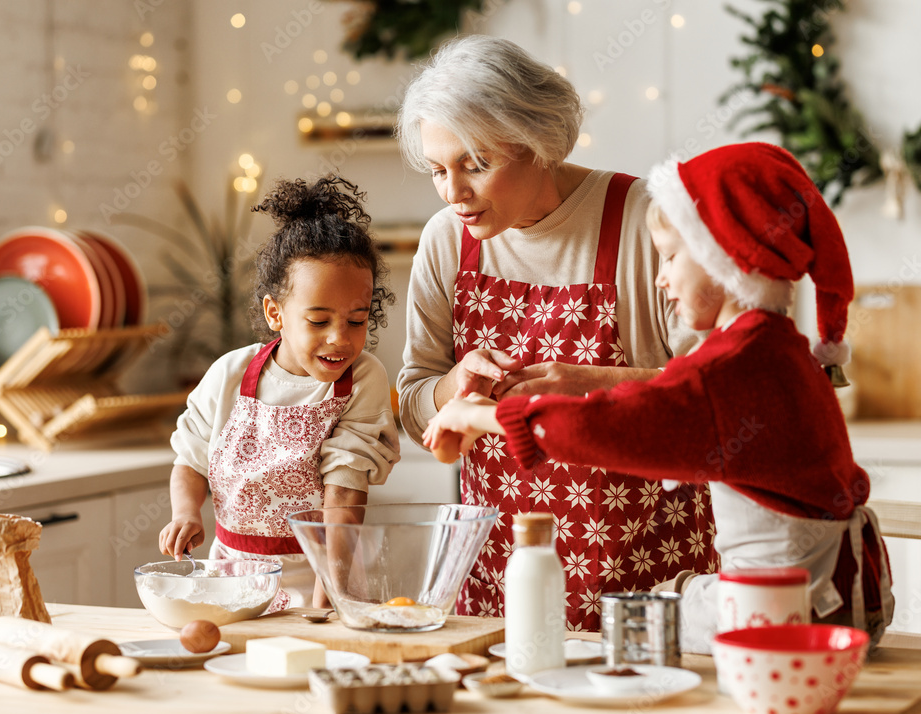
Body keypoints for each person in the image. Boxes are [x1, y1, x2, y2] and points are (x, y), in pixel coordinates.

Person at [424, 142, 895, 653]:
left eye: (671, 256)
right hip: (836, 594)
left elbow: (608, 425)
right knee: (657, 607)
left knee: (616, 635)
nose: (661, 277)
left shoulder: (731, 367)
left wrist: (486, 415)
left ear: (725, 259)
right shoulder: (781, 349)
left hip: (789, 612)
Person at [395, 34, 717, 630]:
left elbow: (711, 397)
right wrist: (451, 387)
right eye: (439, 170)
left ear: (538, 142)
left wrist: (590, 384)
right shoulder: (445, 239)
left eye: (476, 164)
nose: (454, 192)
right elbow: (414, 404)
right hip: (498, 572)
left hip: (644, 566)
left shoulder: (644, 218)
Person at [159, 174, 401, 609]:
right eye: (319, 320)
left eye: (356, 320)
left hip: (320, 577)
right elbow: (191, 460)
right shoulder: (229, 373)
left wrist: (331, 596)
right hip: (229, 581)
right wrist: (186, 513)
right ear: (276, 313)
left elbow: (343, 500)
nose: (339, 339)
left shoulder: (362, 380)